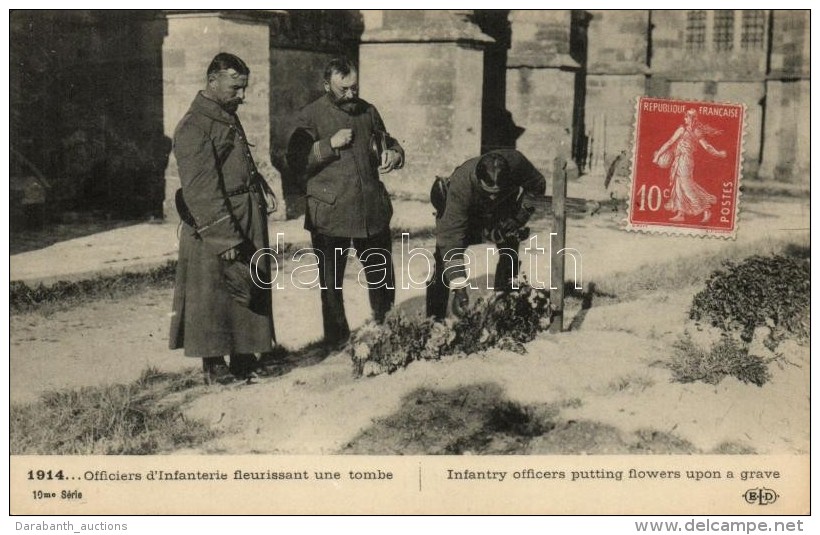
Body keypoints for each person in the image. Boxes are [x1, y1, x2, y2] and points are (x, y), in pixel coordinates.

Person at [169, 53, 276, 384]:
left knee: (246, 286)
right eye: (235, 88)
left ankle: (244, 357)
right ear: (212, 81)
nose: (242, 96)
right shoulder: (193, 125)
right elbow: (201, 188)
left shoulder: (225, 114)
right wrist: (224, 236)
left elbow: (238, 159)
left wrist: (260, 184)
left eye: (244, 88)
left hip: (245, 214)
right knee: (212, 294)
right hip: (215, 223)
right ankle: (214, 366)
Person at [289, 57, 404, 347]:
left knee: (380, 272)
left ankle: (385, 327)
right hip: (330, 212)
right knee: (331, 282)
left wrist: (393, 153)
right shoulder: (310, 116)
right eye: (344, 90)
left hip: (370, 209)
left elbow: (387, 141)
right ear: (326, 85)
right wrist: (329, 145)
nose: (352, 95)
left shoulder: (368, 110)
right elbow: (296, 162)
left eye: (355, 87)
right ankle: (337, 341)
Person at [426, 149, 546, 321]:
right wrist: (460, 287)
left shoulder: (517, 163)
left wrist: (519, 218)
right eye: (488, 191)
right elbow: (451, 239)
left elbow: (536, 185)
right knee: (443, 260)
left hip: (504, 210)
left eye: (496, 192)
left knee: (510, 252)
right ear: (478, 179)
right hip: (469, 215)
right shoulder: (461, 186)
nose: (492, 197)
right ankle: (433, 320)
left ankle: (504, 309)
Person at [653, 108, 727, 223]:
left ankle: (706, 209)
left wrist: (657, 156)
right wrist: (718, 153)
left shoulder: (683, 130)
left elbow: (670, 142)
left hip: (684, 161)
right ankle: (681, 213)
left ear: (691, 118)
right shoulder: (696, 131)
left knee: (687, 186)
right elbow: (707, 147)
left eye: (687, 117)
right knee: (678, 186)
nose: (685, 119)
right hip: (681, 160)